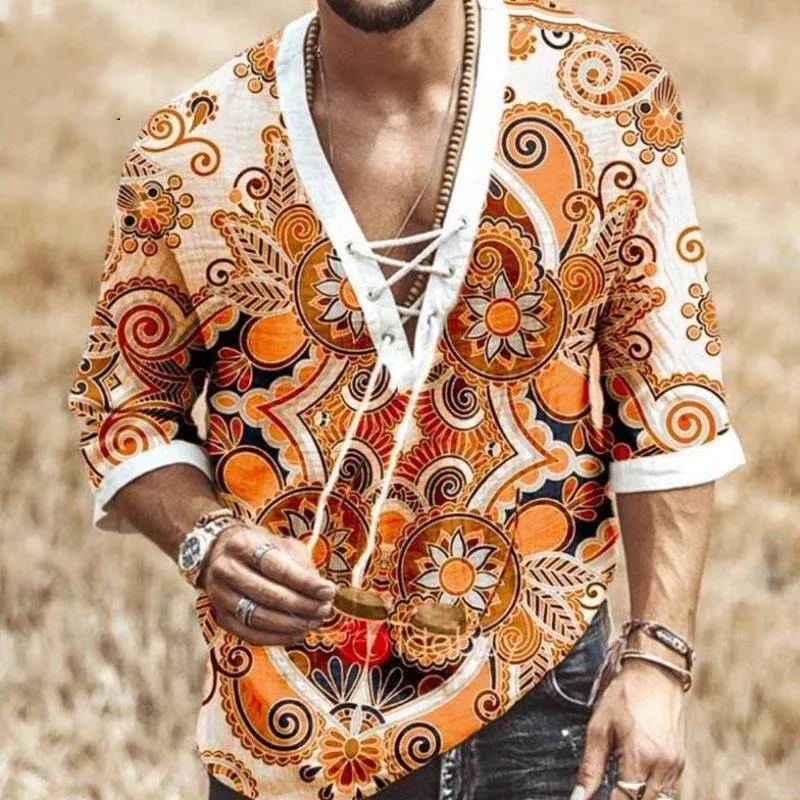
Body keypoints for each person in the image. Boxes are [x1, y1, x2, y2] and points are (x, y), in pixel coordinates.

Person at [66, 0, 746, 798]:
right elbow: (124, 409)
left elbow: (669, 400)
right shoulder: (193, 149)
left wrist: (658, 659)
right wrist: (205, 540)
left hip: (545, 703)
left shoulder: (604, 97)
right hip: (290, 716)